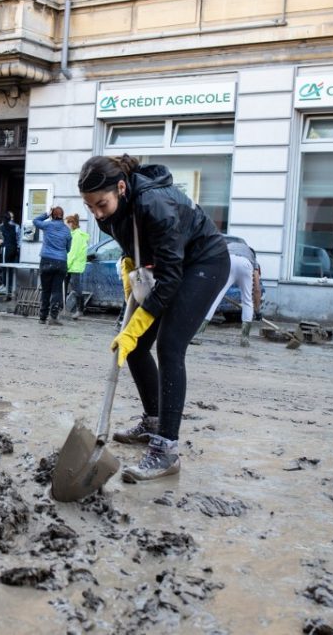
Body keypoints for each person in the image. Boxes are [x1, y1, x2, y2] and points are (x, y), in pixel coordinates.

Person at [78, 154, 229, 482]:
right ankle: (153, 422)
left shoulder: (155, 203)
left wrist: (138, 322)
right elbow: (141, 250)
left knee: (171, 345)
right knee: (133, 347)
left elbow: (172, 276)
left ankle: (166, 450)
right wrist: (131, 267)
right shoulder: (110, 213)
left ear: (121, 187)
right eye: (90, 207)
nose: (97, 214)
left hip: (204, 263)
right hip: (168, 267)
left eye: (101, 204)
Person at [197, 253, 255, 346]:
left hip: (228, 261)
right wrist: (257, 310)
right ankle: (245, 339)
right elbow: (256, 289)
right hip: (246, 265)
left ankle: (198, 334)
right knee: (247, 300)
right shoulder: (250, 255)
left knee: (216, 298)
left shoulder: (226, 247)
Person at [33, 206, 72, 325]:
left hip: (46, 260)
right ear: (63, 216)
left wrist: (46, 214)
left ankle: (42, 317)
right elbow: (68, 248)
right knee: (57, 290)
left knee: (46, 290)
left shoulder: (47, 225)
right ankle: (53, 317)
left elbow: (35, 221)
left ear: (52, 215)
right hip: (61, 262)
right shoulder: (66, 230)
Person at [65, 213, 89, 319]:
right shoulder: (73, 234)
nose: (66, 226)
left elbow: (73, 253)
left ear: (71, 223)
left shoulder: (77, 236)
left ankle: (80, 310)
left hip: (75, 265)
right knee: (65, 285)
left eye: (67, 224)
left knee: (76, 287)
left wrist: (66, 265)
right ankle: (62, 308)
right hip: (72, 264)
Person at [0, 210, 21, 300]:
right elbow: (18, 238)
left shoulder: (1, 226)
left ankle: (6, 286)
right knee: (11, 268)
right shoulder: (16, 226)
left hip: (6, 249)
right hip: (14, 249)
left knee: (5, 268)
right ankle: (9, 287)